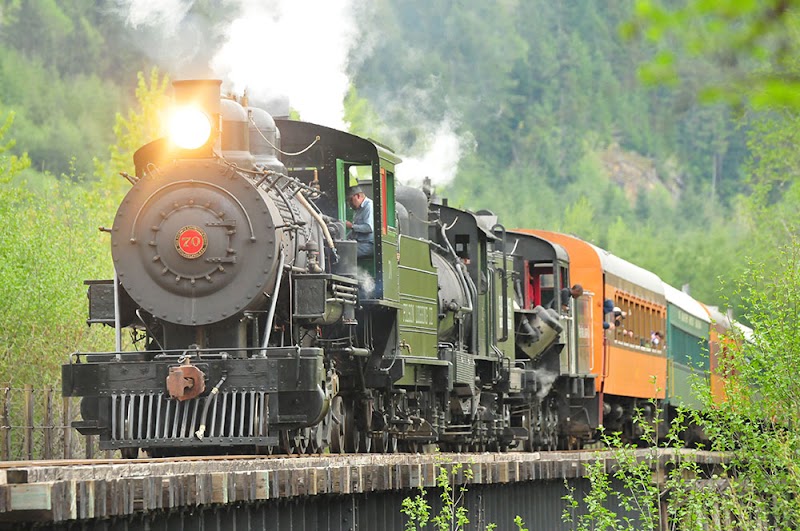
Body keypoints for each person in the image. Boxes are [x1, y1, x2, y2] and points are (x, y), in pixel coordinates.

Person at [346, 185, 374, 258]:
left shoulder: (369, 206)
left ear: (358, 196)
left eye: (350, 200)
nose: (349, 204)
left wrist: (351, 226)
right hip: (359, 243)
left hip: (368, 245)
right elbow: (355, 231)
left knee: (345, 251)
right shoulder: (358, 209)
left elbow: (369, 227)